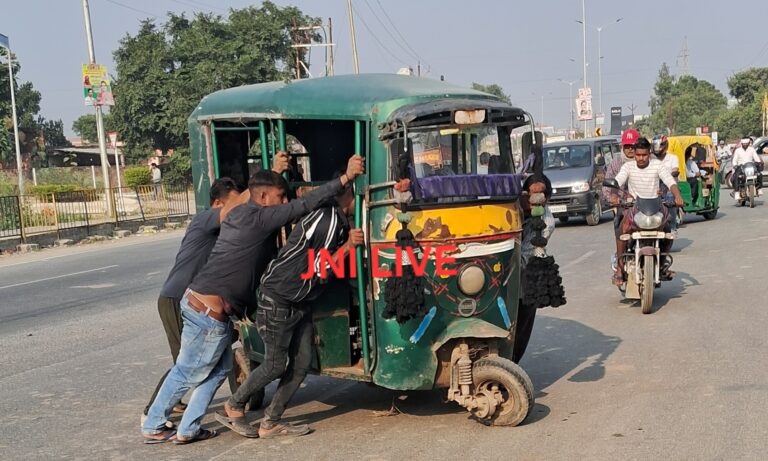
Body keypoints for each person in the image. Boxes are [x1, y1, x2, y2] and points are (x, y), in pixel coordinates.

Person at [141, 154, 365, 445]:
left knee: (219, 370)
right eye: (279, 196)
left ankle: (188, 429)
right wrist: (345, 178)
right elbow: (303, 205)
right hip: (207, 310)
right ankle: (154, 423)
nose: (285, 203)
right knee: (188, 370)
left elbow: (256, 196)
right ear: (262, 196)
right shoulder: (260, 217)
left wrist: (272, 171)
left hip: (214, 311)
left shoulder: (241, 211)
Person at [217, 171, 364, 439]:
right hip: (280, 297)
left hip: (300, 299)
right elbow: (320, 269)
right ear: (348, 195)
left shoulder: (335, 218)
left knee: (301, 363)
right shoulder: (329, 221)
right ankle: (234, 404)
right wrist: (348, 248)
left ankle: (271, 421)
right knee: (275, 364)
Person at [141, 177, 242, 428]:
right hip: (176, 298)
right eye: (234, 204)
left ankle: (174, 404)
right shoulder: (205, 219)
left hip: (190, 299)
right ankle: (150, 413)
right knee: (186, 365)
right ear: (218, 203)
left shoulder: (222, 231)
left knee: (202, 360)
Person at [611, 137, 684, 285]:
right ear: (635, 154)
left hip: (655, 208)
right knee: (621, 229)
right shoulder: (628, 167)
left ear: (649, 153)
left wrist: (677, 196)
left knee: (669, 231)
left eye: (644, 155)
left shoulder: (658, 165)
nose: (641, 158)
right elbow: (618, 181)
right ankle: (619, 269)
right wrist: (614, 195)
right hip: (634, 208)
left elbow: (670, 181)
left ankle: (662, 262)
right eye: (638, 155)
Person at [602, 128, 639, 274]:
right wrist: (612, 198)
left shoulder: (647, 161)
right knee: (619, 225)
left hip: (645, 204)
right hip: (624, 206)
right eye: (627, 146)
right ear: (622, 147)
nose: (630, 150)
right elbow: (607, 185)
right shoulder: (616, 163)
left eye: (633, 146)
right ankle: (620, 262)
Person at [653, 135, 681, 234]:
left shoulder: (672, 158)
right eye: (656, 146)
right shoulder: (651, 158)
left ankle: (673, 227)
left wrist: (671, 187)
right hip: (654, 186)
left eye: (660, 145)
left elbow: (675, 173)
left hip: (669, 186)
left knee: (670, 196)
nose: (658, 148)